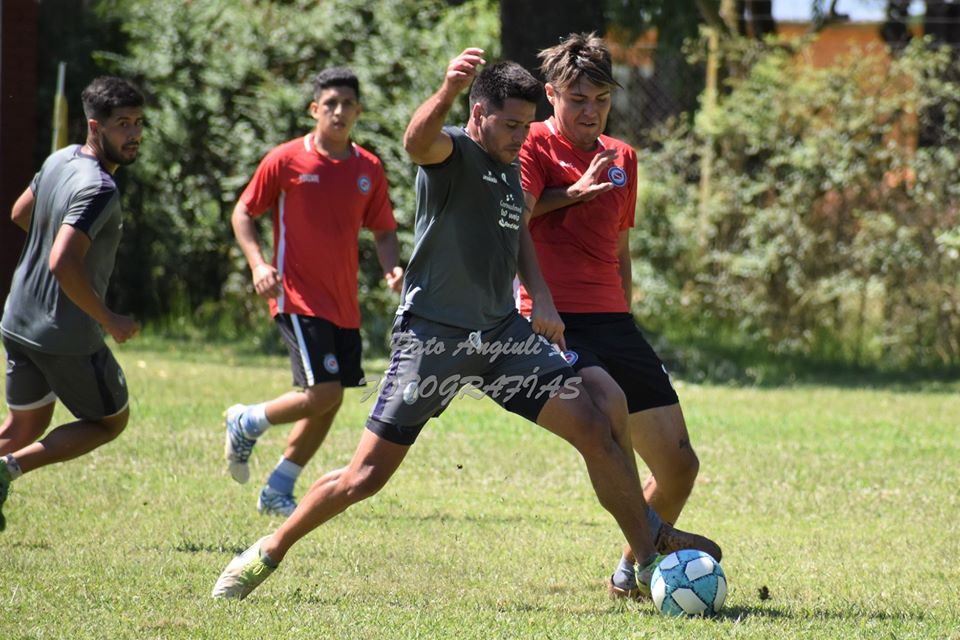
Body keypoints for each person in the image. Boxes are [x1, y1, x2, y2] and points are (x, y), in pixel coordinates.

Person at [212, 48, 719, 601]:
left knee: (599, 409)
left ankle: (645, 556)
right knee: (366, 477)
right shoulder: (451, 150)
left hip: (502, 340)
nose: (520, 137)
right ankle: (269, 551)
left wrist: (542, 300)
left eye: (526, 127)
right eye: (509, 125)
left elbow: (520, 234)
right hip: (434, 340)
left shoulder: (510, 166)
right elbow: (414, 142)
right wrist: (448, 90)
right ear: (478, 112)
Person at [516, 33, 713, 600]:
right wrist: (571, 192)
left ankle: (628, 575)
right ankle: (654, 559)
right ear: (552, 95)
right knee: (609, 422)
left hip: (614, 321)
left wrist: (626, 312)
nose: (590, 110)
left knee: (680, 466)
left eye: (600, 99)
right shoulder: (529, 145)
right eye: (577, 98)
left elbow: (620, 249)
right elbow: (514, 226)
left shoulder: (624, 156)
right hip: (553, 319)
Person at [223, 68, 402, 517]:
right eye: (331, 103)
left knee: (330, 400)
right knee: (323, 394)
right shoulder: (286, 160)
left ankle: (278, 487)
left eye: (348, 104)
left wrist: (391, 269)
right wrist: (259, 263)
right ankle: (246, 421)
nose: (340, 111)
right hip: (296, 297)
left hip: (344, 305)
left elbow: (383, 231)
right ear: (315, 109)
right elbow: (244, 213)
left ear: (359, 112)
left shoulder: (368, 168)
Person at [0, 76, 145, 532]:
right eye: (123, 124)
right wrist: (110, 319)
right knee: (108, 422)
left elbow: (21, 213)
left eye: (139, 122)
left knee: (21, 429)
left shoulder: (60, 158)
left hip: (17, 317)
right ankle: (8, 471)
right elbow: (64, 260)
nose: (134, 134)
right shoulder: (100, 187)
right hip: (64, 335)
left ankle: (7, 461)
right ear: (95, 126)